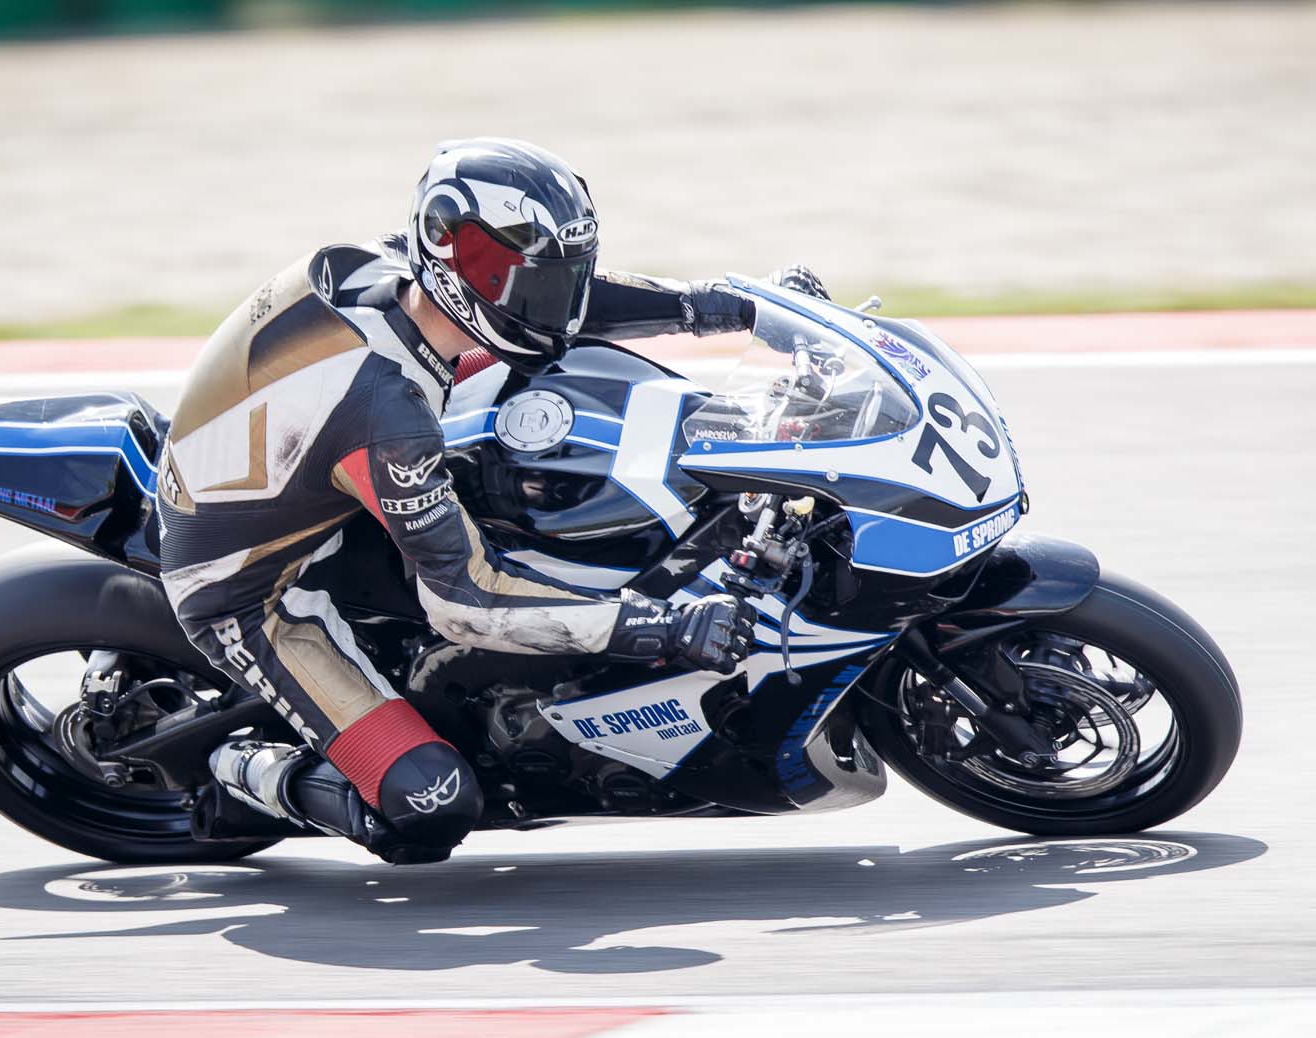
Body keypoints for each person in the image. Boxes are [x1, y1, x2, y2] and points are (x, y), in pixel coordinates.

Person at [158, 137, 825, 863]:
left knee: (566, 383)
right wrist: (660, 627)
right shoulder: (387, 418)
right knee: (430, 805)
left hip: (309, 459)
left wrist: (734, 306)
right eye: (512, 279)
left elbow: (567, 309)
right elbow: (466, 603)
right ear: (448, 256)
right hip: (251, 589)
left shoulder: (389, 269)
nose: (547, 301)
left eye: (551, 277)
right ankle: (241, 776)